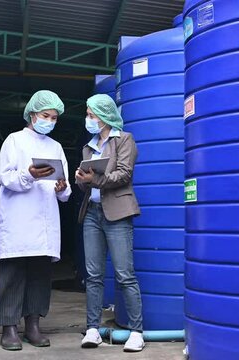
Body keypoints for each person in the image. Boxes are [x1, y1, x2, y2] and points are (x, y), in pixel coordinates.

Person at [0, 90, 71, 351]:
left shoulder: (56, 147)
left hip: (45, 221)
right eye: (45, 115)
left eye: (54, 118)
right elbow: (6, 178)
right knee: (12, 274)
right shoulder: (14, 141)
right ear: (32, 114)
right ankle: (9, 328)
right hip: (19, 218)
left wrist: (61, 188)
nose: (49, 121)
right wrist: (29, 175)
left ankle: (33, 326)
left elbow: (66, 190)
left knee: (39, 275)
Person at [75, 94, 145, 352]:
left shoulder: (124, 139)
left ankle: (137, 332)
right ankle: (92, 329)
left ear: (104, 116)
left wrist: (94, 179)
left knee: (125, 275)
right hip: (92, 213)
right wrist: (82, 179)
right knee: (93, 275)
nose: (88, 119)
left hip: (117, 212)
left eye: (91, 115)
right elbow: (88, 185)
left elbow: (124, 175)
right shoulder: (88, 146)